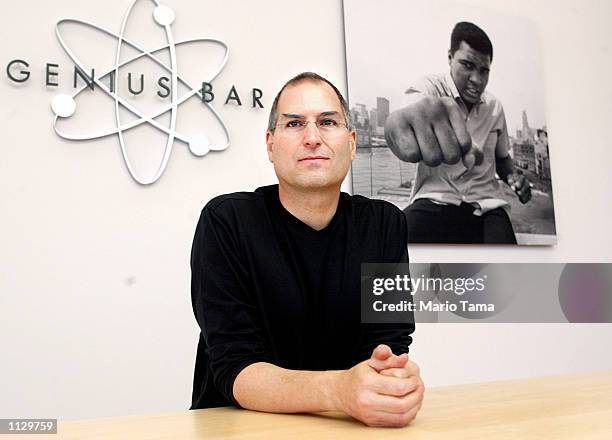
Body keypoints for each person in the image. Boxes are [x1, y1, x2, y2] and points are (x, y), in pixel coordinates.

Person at [190, 72, 424, 427]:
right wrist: (338, 390)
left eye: (327, 122)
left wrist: (392, 384)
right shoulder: (227, 222)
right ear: (271, 144)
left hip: (346, 427)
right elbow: (234, 365)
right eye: (295, 123)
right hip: (239, 428)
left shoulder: (385, 225)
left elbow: (388, 345)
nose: (312, 137)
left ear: (351, 143)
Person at [385, 21, 531, 244]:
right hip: (435, 199)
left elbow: (502, 159)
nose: (477, 80)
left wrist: (514, 177)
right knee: (392, 249)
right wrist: (397, 125)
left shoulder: (495, 107)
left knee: (507, 268)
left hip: (487, 205)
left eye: (484, 71)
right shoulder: (430, 88)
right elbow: (409, 112)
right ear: (450, 58)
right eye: (467, 65)